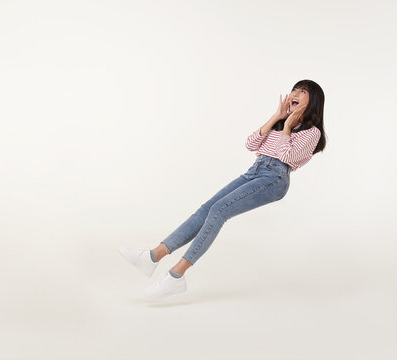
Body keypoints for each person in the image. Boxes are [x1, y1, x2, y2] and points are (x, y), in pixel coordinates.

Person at [119, 79, 327, 299]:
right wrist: (277, 117)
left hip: (275, 178)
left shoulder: (312, 132)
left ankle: (175, 276)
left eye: (302, 91)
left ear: (313, 101)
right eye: (294, 89)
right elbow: (250, 144)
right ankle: (152, 257)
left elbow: (286, 156)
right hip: (255, 170)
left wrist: (286, 128)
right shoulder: (281, 123)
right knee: (207, 208)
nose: (294, 93)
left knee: (219, 209)